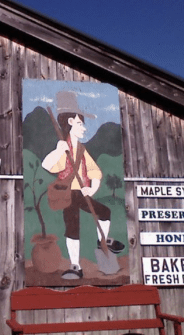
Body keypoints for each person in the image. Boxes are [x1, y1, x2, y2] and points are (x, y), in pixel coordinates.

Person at [42, 91, 124, 279]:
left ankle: (102, 240)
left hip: (82, 193)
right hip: (68, 194)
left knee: (104, 212)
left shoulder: (82, 149)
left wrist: (92, 188)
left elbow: (95, 171)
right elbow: (47, 165)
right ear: (70, 123)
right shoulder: (63, 147)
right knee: (72, 226)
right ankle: (75, 266)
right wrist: (57, 152)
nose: (84, 128)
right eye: (80, 123)